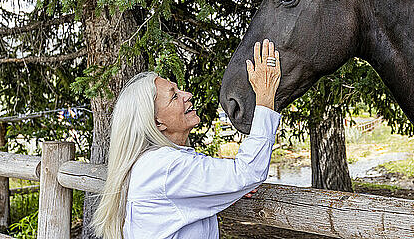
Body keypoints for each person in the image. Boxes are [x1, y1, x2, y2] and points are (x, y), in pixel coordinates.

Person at [91, 39, 281, 239]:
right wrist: (265, 97)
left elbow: (234, 180)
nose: (188, 95)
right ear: (157, 123)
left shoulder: (153, 164)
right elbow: (248, 172)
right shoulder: (166, 167)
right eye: (174, 96)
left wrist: (224, 191)